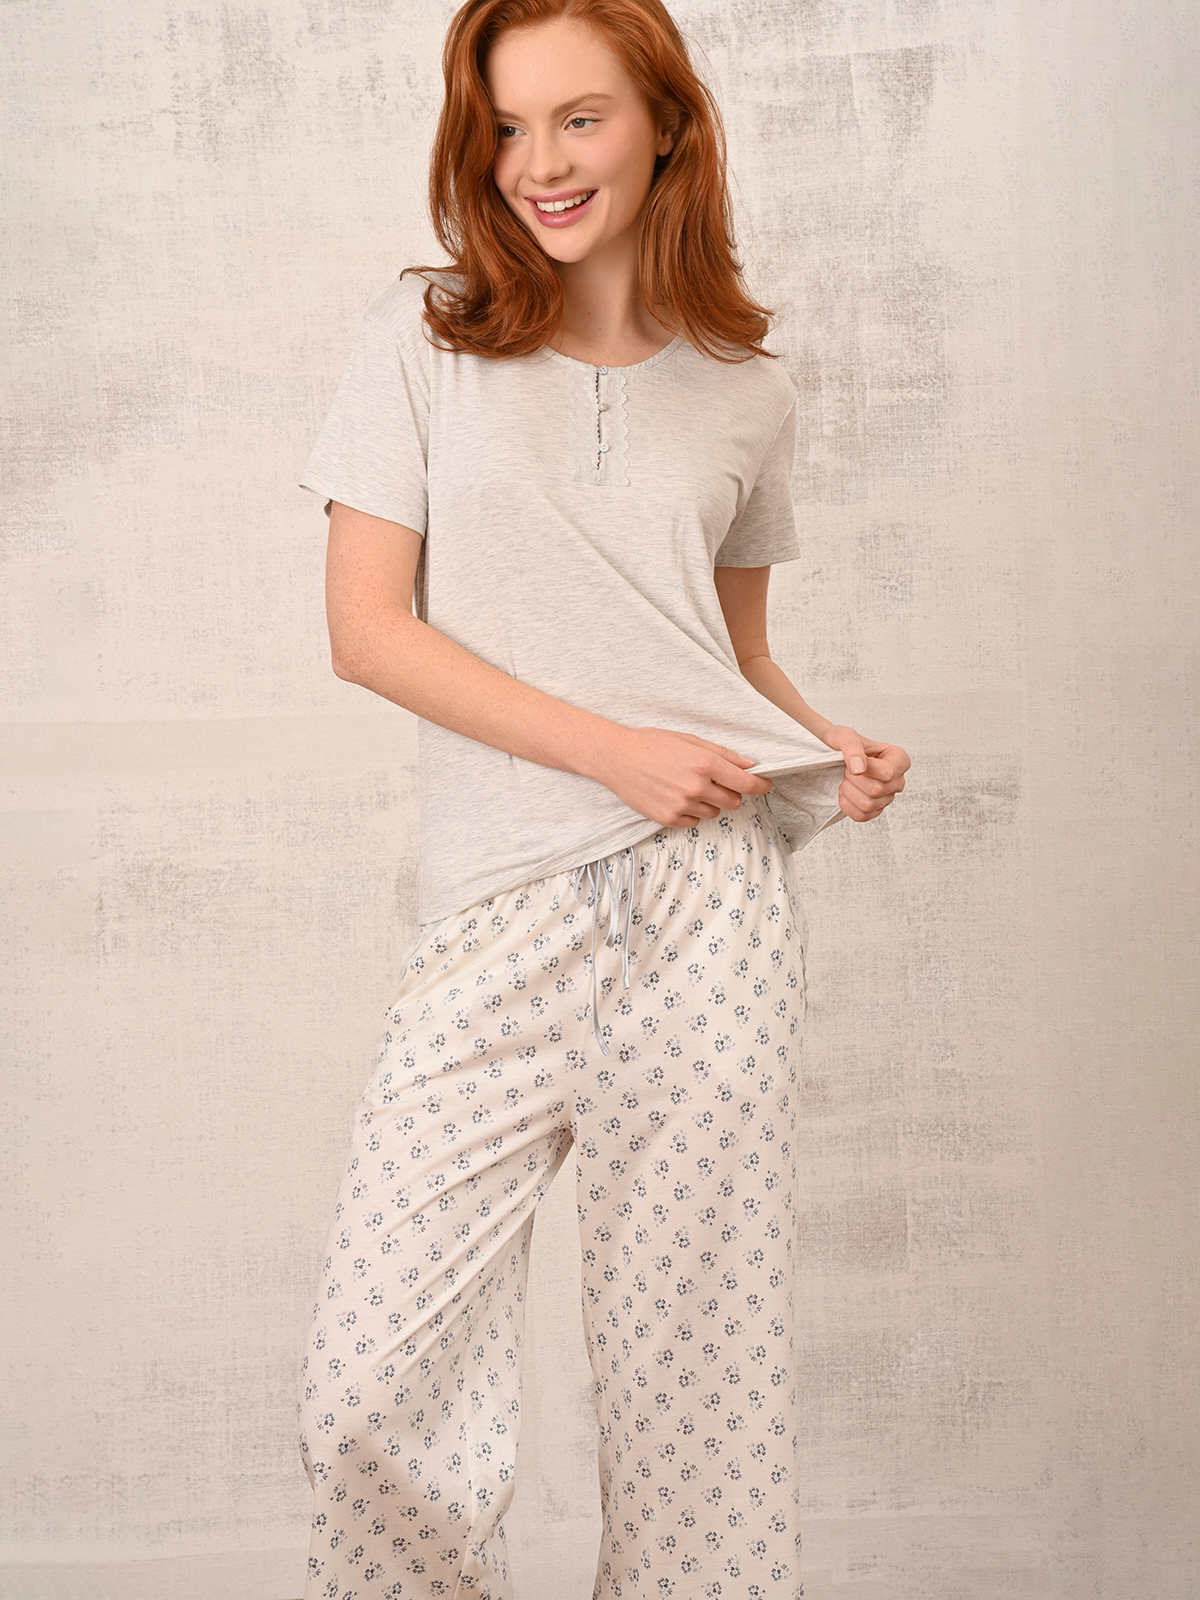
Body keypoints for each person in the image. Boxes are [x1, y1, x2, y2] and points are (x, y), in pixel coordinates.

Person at [296, 0, 911, 1595]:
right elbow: (368, 632)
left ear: (664, 123)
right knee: (369, 1397)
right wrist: (609, 750)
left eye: (579, 117)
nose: (539, 162)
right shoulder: (423, 335)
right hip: (502, 910)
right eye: (506, 126)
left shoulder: (748, 388)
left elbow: (730, 659)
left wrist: (826, 741)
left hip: (714, 916)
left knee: (699, 1414)